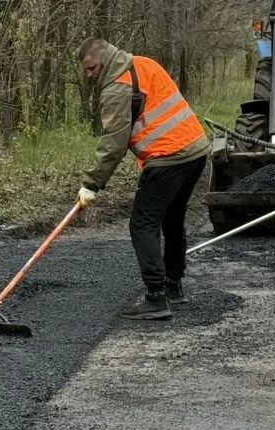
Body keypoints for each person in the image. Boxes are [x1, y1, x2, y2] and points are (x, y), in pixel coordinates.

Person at [77, 38, 210, 321]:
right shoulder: (143, 63)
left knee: (142, 224)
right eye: (86, 70)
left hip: (168, 158)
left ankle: (156, 297)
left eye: (92, 68)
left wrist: (91, 183)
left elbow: (114, 143)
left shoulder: (116, 88)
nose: (89, 75)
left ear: (105, 58)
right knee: (172, 219)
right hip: (196, 151)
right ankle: (173, 286)